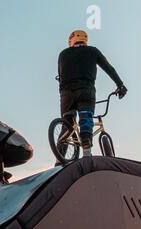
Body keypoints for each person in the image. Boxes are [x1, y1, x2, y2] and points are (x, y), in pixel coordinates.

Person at [57, 30, 128, 160]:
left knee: (66, 126)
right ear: (85, 40)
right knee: (86, 118)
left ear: (71, 41)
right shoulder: (93, 51)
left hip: (66, 94)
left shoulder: (63, 54)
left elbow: (61, 76)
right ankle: (86, 150)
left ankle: (59, 160)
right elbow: (109, 68)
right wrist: (120, 85)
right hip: (86, 91)